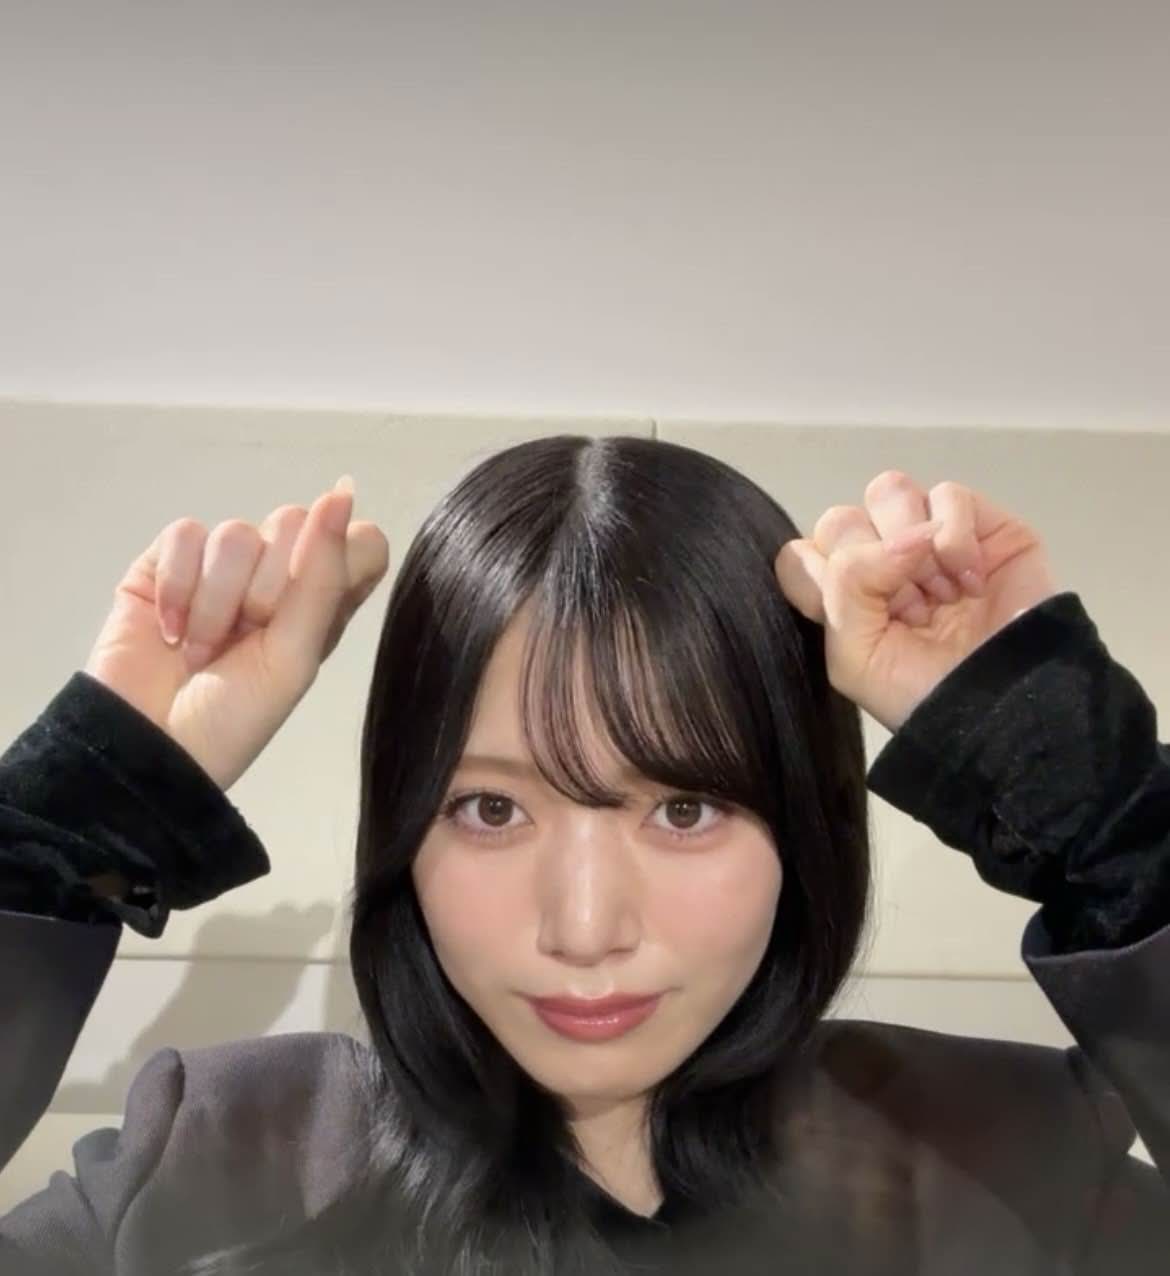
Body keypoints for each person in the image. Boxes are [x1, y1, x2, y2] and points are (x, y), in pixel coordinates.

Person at [0, 434, 1166, 1276]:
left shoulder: (1011, 1167)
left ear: (803, 825)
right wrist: (76, 808)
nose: (587, 926)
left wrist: (1086, 791)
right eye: (490, 809)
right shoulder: (213, 1164)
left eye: (685, 809)